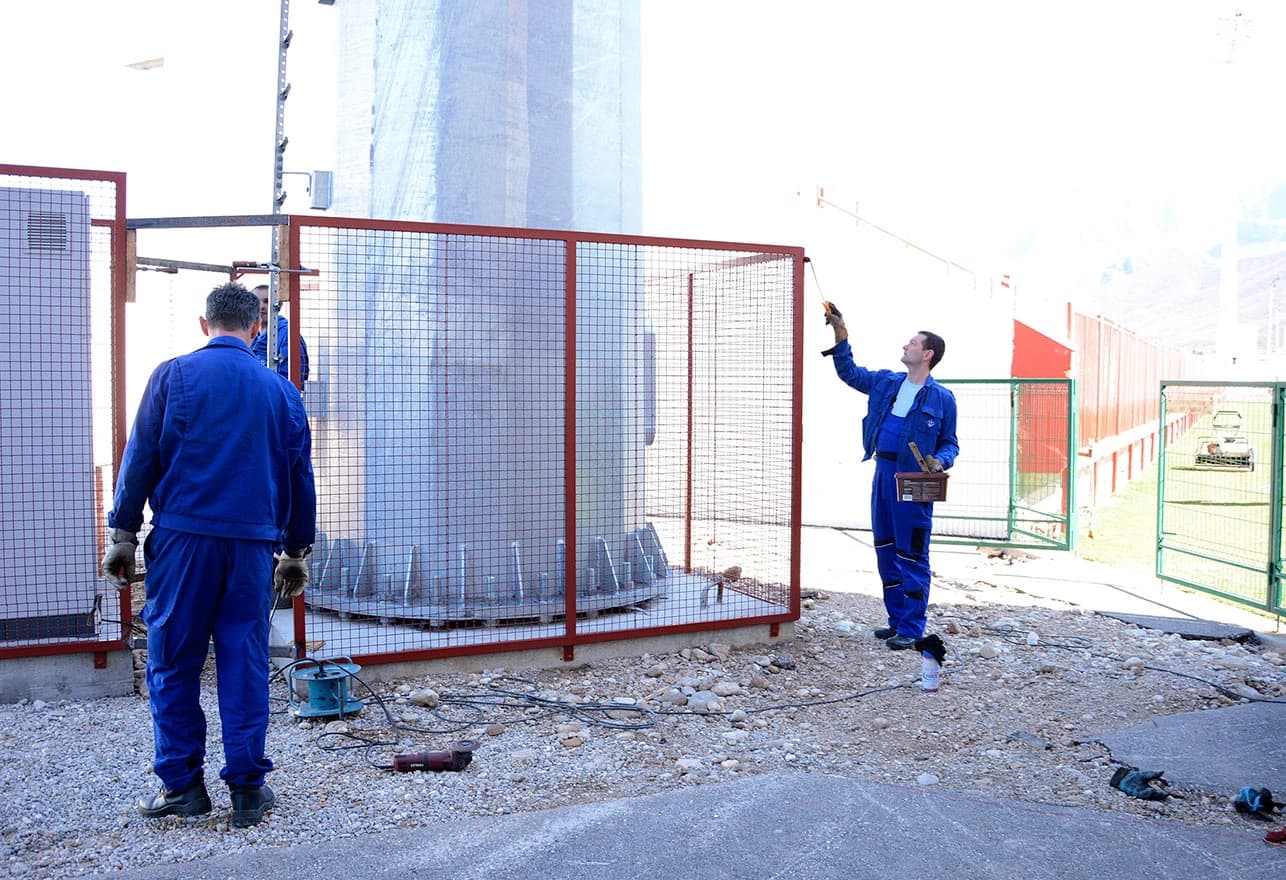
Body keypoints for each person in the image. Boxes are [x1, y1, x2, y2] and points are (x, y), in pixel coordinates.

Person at [101, 282, 316, 827]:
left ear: (204, 324)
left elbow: (140, 456)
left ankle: (182, 787)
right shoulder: (281, 392)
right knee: (244, 659)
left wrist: (123, 533)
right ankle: (247, 790)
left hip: (183, 543)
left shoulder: (171, 376)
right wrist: (295, 549)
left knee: (173, 661)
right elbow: (299, 476)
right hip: (252, 547)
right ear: (256, 329)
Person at [822, 306, 958, 650]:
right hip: (883, 473)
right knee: (885, 548)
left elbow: (950, 443)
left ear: (927, 354)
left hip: (913, 480)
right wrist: (840, 333)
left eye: (912, 343)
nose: (905, 346)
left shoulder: (942, 398)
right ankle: (897, 620)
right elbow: (850, 373)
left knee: (911, 553)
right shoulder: (887, 382)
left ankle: (912, 627)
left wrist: (940, 461)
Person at [251, 283, 310, 381]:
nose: (261, 307)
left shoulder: (288, 335)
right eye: (256, 302)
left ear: (278, 305)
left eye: (267, 301)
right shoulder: (251, 335)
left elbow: (292, 378)